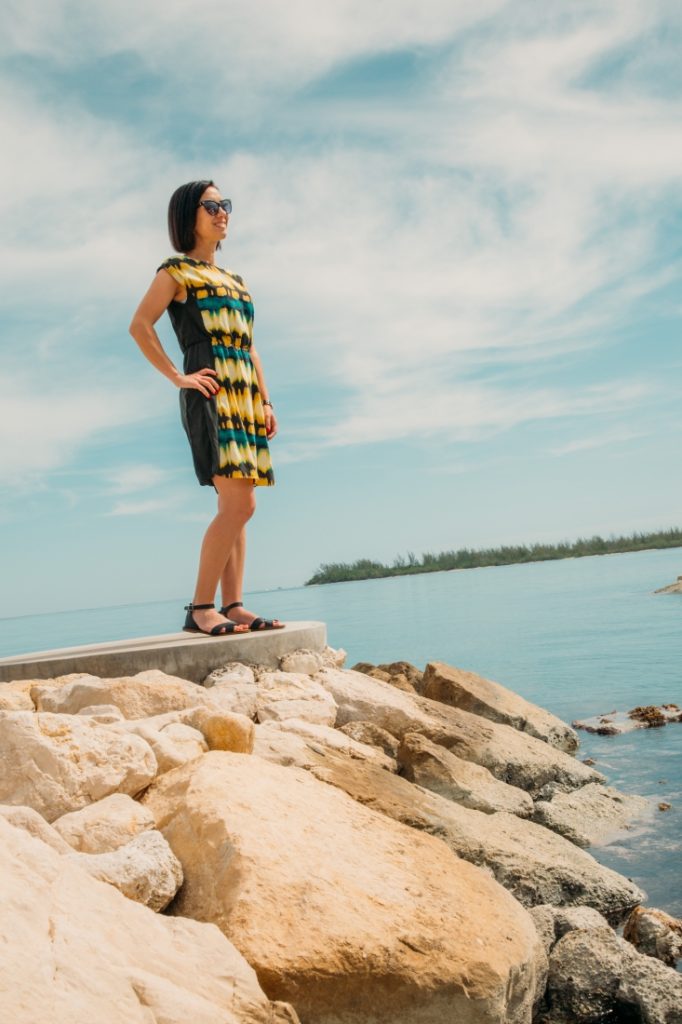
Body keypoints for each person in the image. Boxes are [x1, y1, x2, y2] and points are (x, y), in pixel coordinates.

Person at [129, 179, 284, 636]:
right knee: (239, 504)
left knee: (239, 501)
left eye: (225, 205)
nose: (222, 212)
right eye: (210, 205)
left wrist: (265, 399)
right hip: (210, 391)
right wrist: (179, 377)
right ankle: (200, 607)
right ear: (187, 216)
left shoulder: (236, 280)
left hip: (244, 395)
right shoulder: (175, 273)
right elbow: (140, 326)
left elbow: (250, 347)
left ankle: (233, 604)